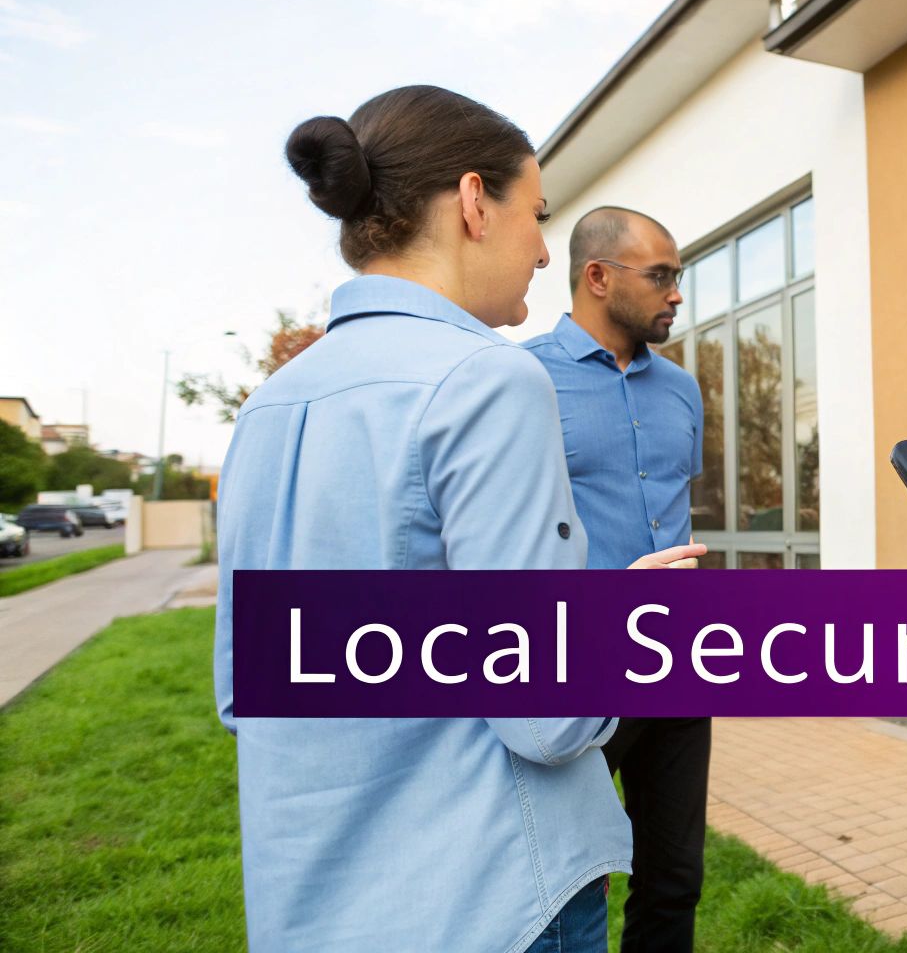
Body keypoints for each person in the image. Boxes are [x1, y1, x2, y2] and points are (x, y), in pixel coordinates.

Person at [214, 85, 704, 953]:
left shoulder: (271, 405)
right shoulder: (492, 379)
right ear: (476, 203)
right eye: (537, 214)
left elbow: (244, 686)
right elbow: (549, 717)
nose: (545, 253)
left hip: (320, 906)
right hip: (500, 896)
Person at [526, 207, 709, 953]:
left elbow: (672, 503)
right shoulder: (522, 380)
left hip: (682, 661)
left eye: (678, 276)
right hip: (582, 666)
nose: (676, 294)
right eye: (661, 275)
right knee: (572, 881)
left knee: (674, 875)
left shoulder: (682, 391)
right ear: (597, 278)